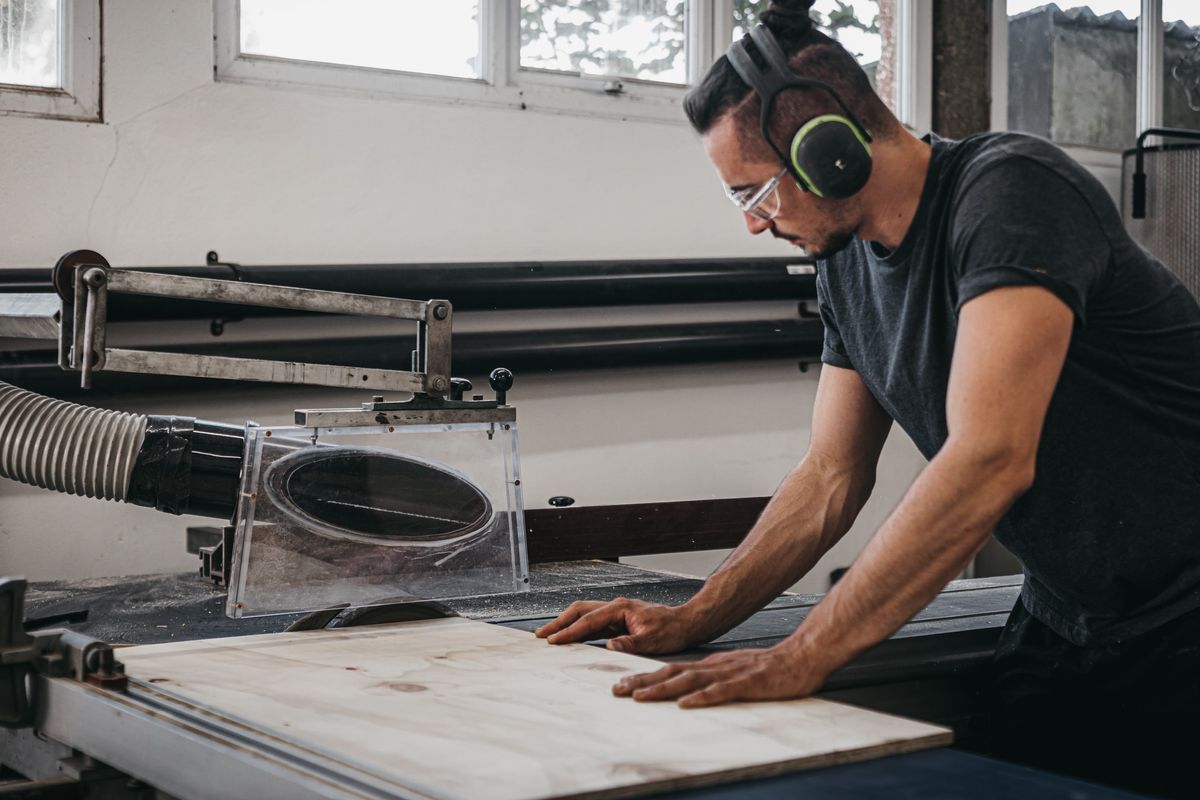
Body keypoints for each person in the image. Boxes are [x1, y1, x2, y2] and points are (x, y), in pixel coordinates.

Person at [535, 1, 1200, 796]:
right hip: (1069, 617)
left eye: (756, 192)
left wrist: (805, 654)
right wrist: (693, 620)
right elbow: (829, 477)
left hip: (1185, 622)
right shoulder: (843, 262)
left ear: (831, 154)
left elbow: (989, 459)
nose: (753, 224)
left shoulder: (1010, 195)